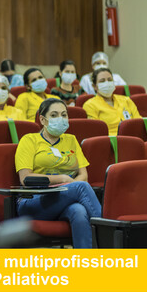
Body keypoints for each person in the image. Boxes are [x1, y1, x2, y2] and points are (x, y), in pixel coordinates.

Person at [15, 98, 101, 248]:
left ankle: (85, 260)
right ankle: (108, 234)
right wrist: (62, 179)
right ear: (43, 119)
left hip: (64, 197)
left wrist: (70, 185)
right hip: (34, 200)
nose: (60, 119)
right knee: (81, 187)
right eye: (54, 115)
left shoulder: (71, 140)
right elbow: (25, 178)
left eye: (64, 115)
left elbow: (84, 175)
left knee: (79, 211)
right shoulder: (29, 140)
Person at [83, 67, 141, 136]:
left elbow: (139, 123)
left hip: (133, 137)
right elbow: (96, 131)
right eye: (102, 81)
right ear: (94, 86)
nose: (107, 83)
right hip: (108, 140)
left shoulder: (126, 100)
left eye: (110, 80)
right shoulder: (90, 105)